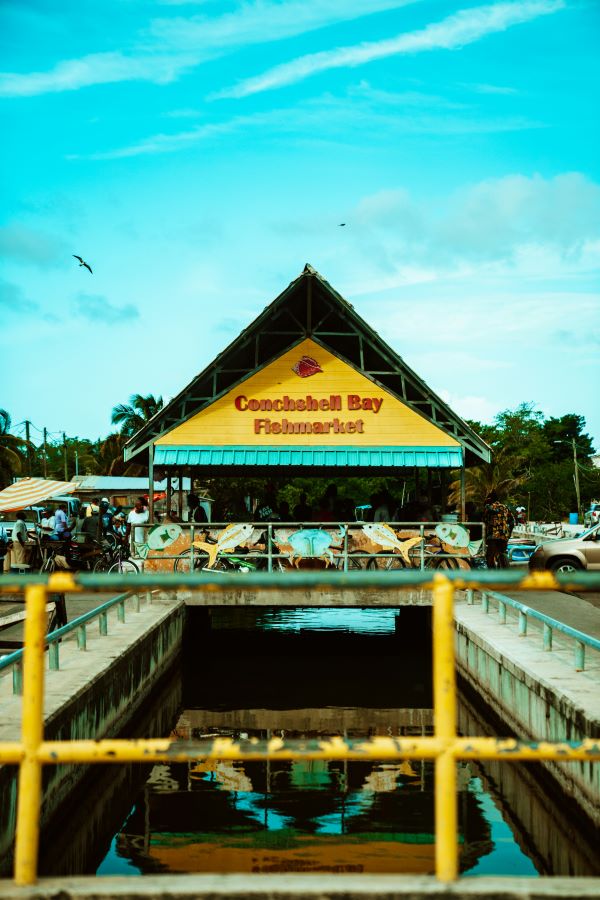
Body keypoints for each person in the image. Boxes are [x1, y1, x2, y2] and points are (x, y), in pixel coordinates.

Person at [483, 490, 515, 568]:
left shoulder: (488, 507)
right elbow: (512, 521)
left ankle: (492, 573)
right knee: (502, 552)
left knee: (489, 556)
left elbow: (484, 521)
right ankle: (503, 561)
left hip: (492, 536)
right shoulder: (505, 507)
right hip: (504, 536)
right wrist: (509, 534)